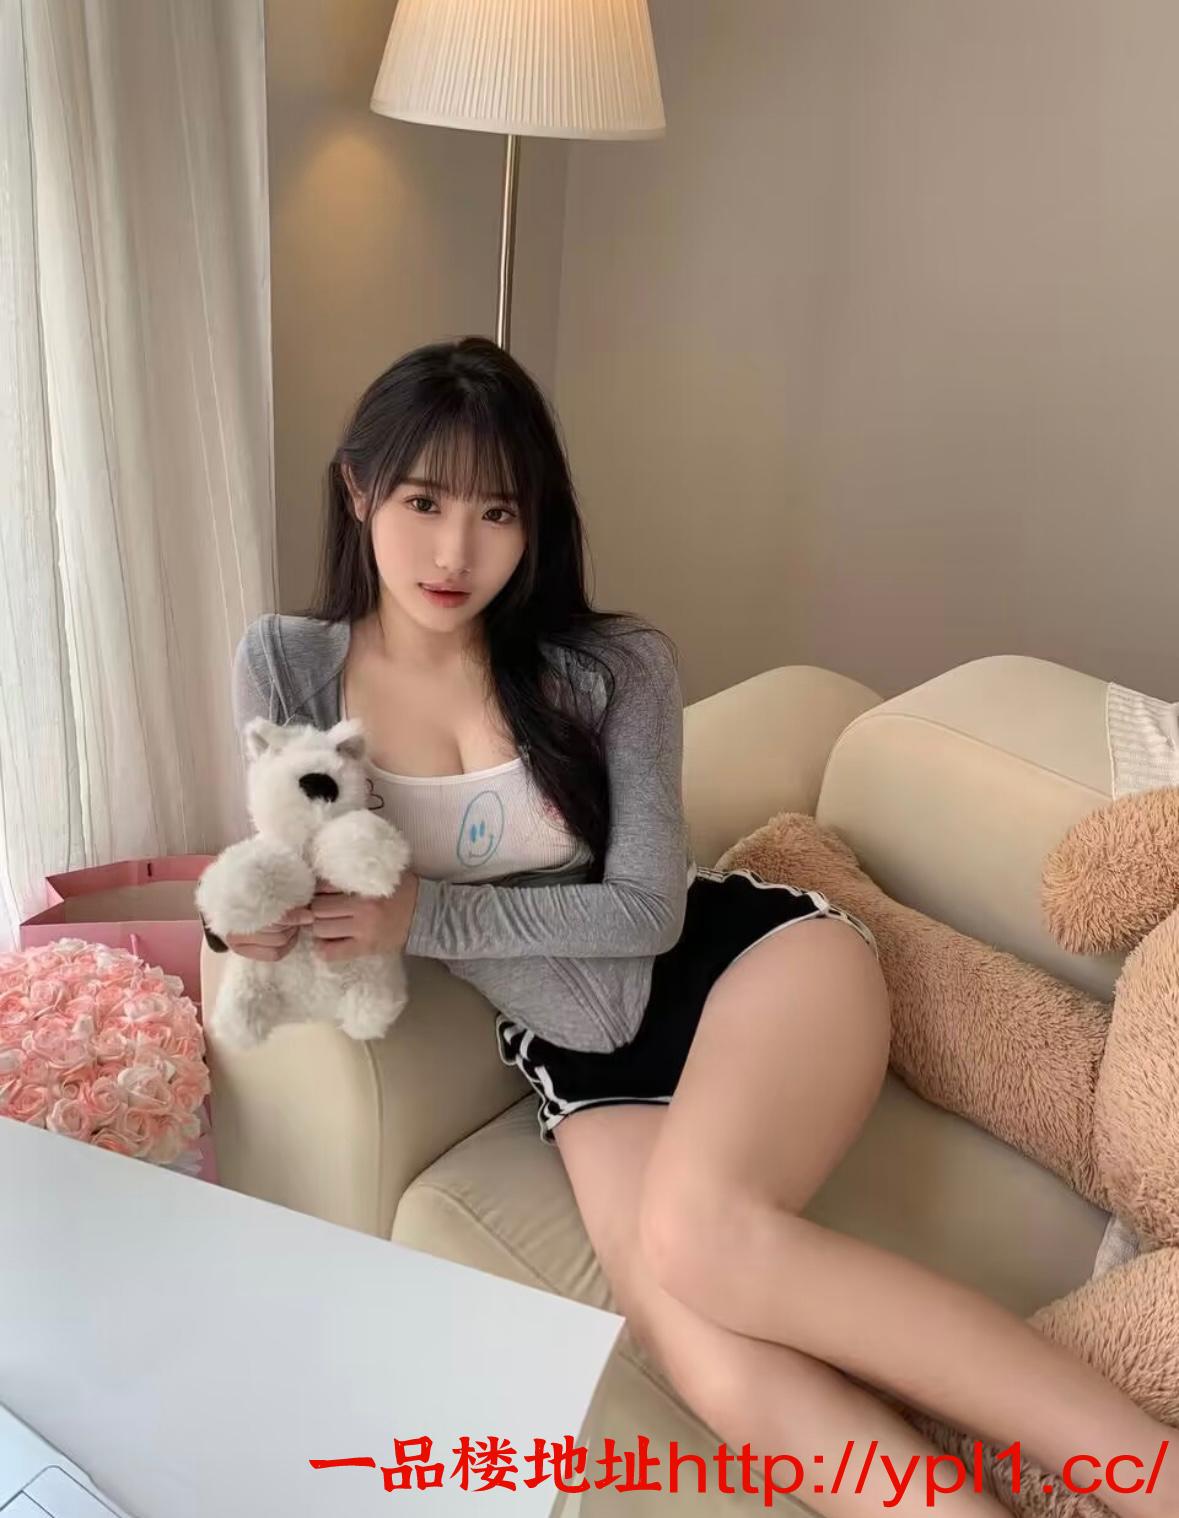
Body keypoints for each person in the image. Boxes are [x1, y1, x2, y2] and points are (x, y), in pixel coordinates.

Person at [216, 337, 1175, 1516]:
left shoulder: (613, 667)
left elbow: (643, 914)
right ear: (359, 490)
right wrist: (250, 927)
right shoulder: (287, 664)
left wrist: (423, 916)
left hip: (746, 966)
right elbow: (288, 853)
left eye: (496, 512)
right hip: (578, 1060)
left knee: (707, 1238)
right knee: (703, 1357)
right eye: (423, 502)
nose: (455, 551)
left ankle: (1154, 1479)